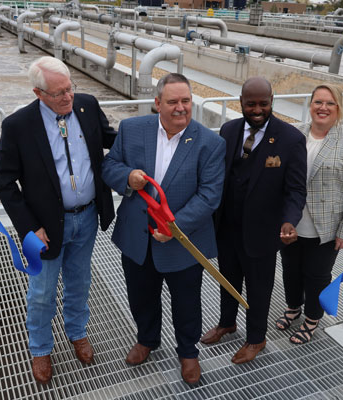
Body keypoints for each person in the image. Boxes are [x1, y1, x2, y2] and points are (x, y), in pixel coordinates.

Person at [0, 56, 116, 384]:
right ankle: (40, 349)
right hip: (46, 227)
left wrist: (155, 131)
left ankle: (76, 333)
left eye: (70, 89)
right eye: (59, 93)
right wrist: (30, 227)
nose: (68, 98)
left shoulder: (87, 105)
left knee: (80, 282)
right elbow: (4, 181)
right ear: (38, 92)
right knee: (42, 292)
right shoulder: (18, 126)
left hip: (87, 217)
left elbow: (112, 140)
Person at [101, 73, 225, 385]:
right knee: (140, 296)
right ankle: (147, 339)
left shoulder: (210, 143)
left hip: (183, 242)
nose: (181, 108)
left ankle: (188, 352)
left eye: (186, 101)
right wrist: (128, 177)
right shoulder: (131, 129)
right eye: (172, 101)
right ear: (158, 104)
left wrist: (175, 228)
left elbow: (209, 195)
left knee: (187, 302)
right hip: (137, 238)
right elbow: (109, 167)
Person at [200, 77, 307, 364]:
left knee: (259, 288)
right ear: (241, 103)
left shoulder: (291, 139)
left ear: (272, 101)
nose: (257, 109)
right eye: (251, 104)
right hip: (227, 225)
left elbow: (296, 189)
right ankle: (227, 322)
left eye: (264, 103)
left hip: (261, 230)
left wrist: (289, 220)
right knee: (227, 279)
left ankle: (256, 338)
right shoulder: (229, 130)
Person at [275, 83, 343, 345]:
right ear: (310, 105)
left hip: (326, 228)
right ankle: (293, 306)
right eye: (318, 102)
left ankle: (312, 318)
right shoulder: (295, 134)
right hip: (292, 223)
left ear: (338, 108)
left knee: (317, 275)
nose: (323, 108)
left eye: (330, 103)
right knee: (290, 269)